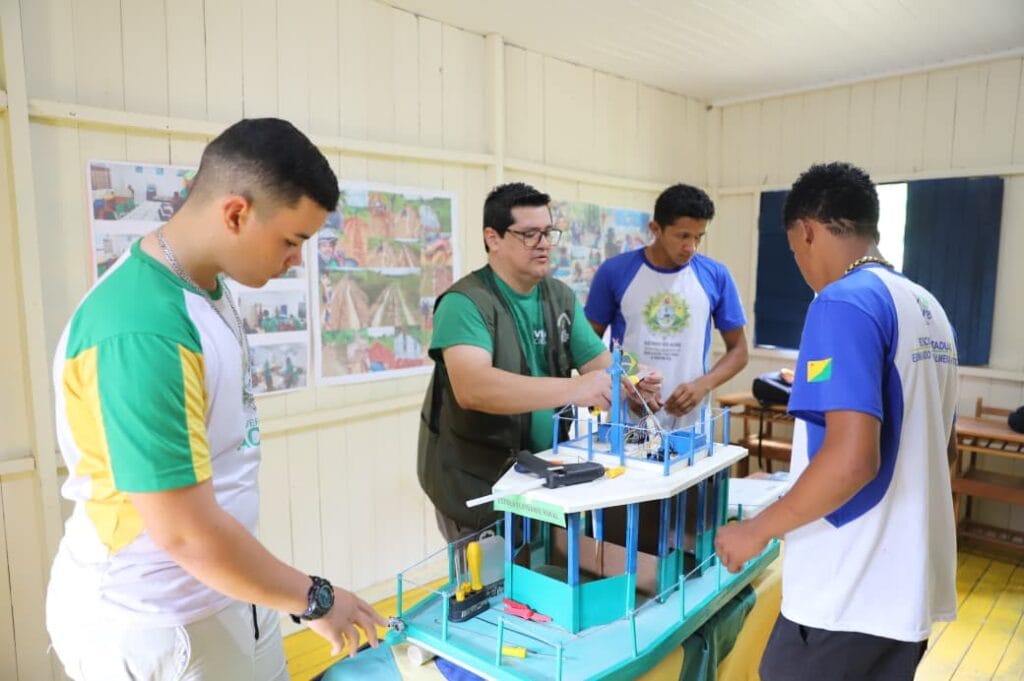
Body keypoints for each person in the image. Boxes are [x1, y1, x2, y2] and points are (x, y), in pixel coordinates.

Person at [46, 118, 384, 681]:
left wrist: (286, 597)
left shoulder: (205, 288)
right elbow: (184, 532)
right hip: (155, 619)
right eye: (292, 241)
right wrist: (315, 598)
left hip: (225, 591)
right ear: (236, 214)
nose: (296, 260)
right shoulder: (142, 327)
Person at [714, 162, 959, 681]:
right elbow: (945, 450)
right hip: (905, 592)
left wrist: (755, 530)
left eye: (795, 250)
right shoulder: (928, 306)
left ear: (806, 231)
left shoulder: (841, 303)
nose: (801, 264)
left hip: (848, 589)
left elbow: (852, 460)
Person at [417, 182, 660, 541]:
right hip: (476, 482)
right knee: (489, 587)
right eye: (529, 234)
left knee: (543, 576)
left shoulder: (558, 296)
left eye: (548, 232)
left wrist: (635, 383)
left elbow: (599, 361)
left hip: (541, 475)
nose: (544, 243)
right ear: (493, 238)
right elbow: (473, 388)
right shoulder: (465, 303)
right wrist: (575, 388)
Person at [585, 183, 748, 432]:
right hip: (628, 420)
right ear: (655, 229)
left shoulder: (715, 275)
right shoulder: (614, 272)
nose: (691, 247)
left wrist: (703, 385)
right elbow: (587, 347)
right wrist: (627, 387)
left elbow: (738, 350)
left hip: (691, 424)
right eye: (683, 236)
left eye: (698, 237)